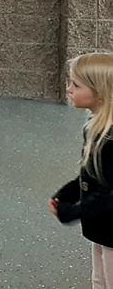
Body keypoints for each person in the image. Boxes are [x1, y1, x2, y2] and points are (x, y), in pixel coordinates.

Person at [50, 52, 113, 289]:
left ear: (100, 92)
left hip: (109, 224)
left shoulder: (110, 139)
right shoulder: (96, 127)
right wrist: (66, 194)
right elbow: (92, 175)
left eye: (75, 85)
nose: (69, 89)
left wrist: (74, 211)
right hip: (104, 227)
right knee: (100, 279)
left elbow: (109, 194)